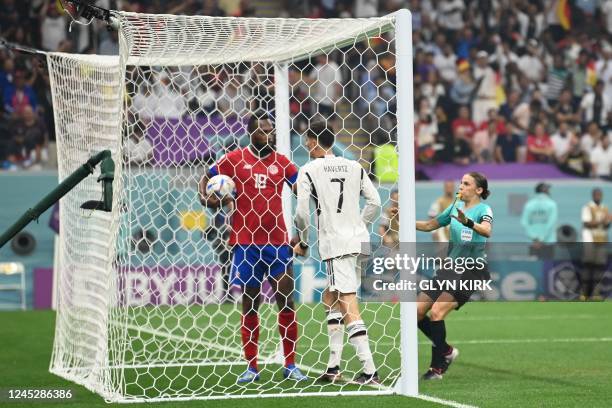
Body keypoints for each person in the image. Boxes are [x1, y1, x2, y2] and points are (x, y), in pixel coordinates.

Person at [198, 111, 307, 383]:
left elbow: (301, 189)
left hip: (278, 242)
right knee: (250, 304)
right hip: (246, 243)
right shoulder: (234, 160)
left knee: (287, 302)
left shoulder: (282, 163)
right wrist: (205, 199)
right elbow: (206, 176)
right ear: (251, 133)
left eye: (271, 131)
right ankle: (251, 367)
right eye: (263, 131)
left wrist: (302, 225)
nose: (269, 135)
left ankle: (290, 364)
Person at [293, 122, 382, 385]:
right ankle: (333, 368)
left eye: (307, 140)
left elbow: (301, 213)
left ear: (312, 141)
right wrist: (359, 225)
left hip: (337, 244)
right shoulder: (355, 166)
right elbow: (375, 202)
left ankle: (370, 371)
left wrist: (305, 242)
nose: (306, 144)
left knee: (347, 301)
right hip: (360, 242)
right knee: (330, 297)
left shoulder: (308, 169)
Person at [415, 172, 493, 380]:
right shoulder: (454, 207)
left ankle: (436, 367)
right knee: (416, 311)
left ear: (478, 190)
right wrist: (404, 220)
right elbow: (431, 225)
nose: (461, 186)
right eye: (461, 182)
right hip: (450, 269)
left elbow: (486, 231)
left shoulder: (484, 209)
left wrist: (467, 222)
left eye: (466, 183)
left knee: (437, 311)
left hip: (472, 270)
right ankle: (447, 351)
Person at [580, 188, 611, 300]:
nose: (598, 196)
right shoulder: (587, 207)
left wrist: (608, 222)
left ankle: (596, 293)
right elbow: (587, 223)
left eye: (600, 195)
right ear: (593, 195)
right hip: (589, 239)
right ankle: (584, 293)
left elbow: (606, 226)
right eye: (596, 195)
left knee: (599, 267)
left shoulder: (604, 208)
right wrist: (602, 221)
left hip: (601, 239)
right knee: (588, 266)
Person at [520, 183, 558, 258]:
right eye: (548, 189)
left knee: (534, 267)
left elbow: (524, 223)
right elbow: (551, 223)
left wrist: (534, 238)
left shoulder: (529, 205)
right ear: (544, 190)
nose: (549, 191)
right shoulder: (552, 204)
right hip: (548, 242)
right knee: (548, 267)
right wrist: (541, 239)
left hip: (533, 243)